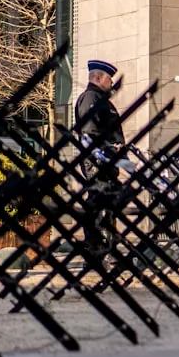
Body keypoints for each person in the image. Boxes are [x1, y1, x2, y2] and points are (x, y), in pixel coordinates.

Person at [73, 59, 124, 257]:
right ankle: (95, 249)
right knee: (98, 201)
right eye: (109, 79)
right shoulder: (89, 98)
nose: (112, 83)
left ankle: (107, 248)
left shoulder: (103, 101)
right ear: (97, 78)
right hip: (98, 160)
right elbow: (90, 132)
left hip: (109, 160)